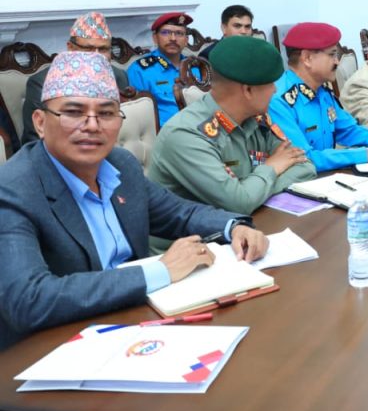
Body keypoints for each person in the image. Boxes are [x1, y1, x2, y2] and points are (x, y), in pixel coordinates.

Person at [0, 52, 269, 349]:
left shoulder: (120, 164)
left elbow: (177, 212)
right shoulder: (12, 190)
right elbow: (27, 300)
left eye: (106, 114)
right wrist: (160, 271)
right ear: (40, 122)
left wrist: (234, 227)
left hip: (139, 321)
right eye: (74, 112)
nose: (92, 126)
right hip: (57, 344)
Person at [147, 36, 316, 215]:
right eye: (270, 84)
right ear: (248, 90)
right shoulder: (186, 135)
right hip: (193, 232)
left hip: (246, 222)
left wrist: (255, 191)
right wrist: (272, 168)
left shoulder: (255, 119)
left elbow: (305, 167)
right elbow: (239, 203)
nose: (275, 90)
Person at [268, 22, 368, 171]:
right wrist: (367, 154)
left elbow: (348, 130)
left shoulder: (321, 92)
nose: (337, 61)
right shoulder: (278, 100)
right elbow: (302, 159)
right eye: (332, 54)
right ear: (307, 58)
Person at [21, 11, 132, 146]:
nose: (97, 56)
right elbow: (34, 141)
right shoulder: (42, 83)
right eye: (89, 48)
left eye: (103, 49)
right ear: (70, 48)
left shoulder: (118, 76)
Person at [126, 11, 194, 127]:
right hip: (165, 132)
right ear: (155, 38)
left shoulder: (196, 67)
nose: (173, 38)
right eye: (165, 32)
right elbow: (138, 116)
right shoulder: (140, 70)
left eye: (179, 33)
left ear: (186, 40)